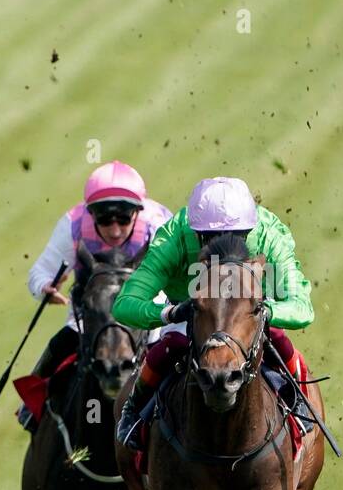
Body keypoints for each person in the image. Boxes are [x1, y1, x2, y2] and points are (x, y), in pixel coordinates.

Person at [111, 176, 312, 446]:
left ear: (250, 231)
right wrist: (170, 313)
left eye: (236, 237)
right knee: (172, 343)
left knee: (277, 337)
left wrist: (262, 310)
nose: (223, 247)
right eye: (212, 239)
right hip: (196, 312)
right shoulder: (174, 237)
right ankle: (133, 410)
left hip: (248, 313)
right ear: (195, 232)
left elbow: (302, 309)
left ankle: (300, 403)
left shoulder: (269, 236)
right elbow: (124, 304)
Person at [18, 161, 172, 431]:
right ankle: (32, 409)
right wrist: (45, 287)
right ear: (91, 214)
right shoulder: (73, 225)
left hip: (147, 313)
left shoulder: (158, 225)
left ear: (137, 212)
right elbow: (38, 273)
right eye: (104, 220)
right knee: (59, 344)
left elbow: (178, 277)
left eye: (123, 219)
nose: (115, 230)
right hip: (92, 318)